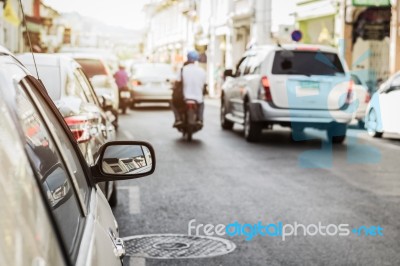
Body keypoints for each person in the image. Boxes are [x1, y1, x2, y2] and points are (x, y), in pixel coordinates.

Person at [172, 51, 207, 127]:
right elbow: (204, 84)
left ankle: (178, 119)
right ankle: (200, 119)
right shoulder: (202, 71)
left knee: (172, 103)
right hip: (198, 98)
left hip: (184, 98)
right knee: (202, 103)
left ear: (188, 59)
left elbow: (177, 82)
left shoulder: (183, 70)